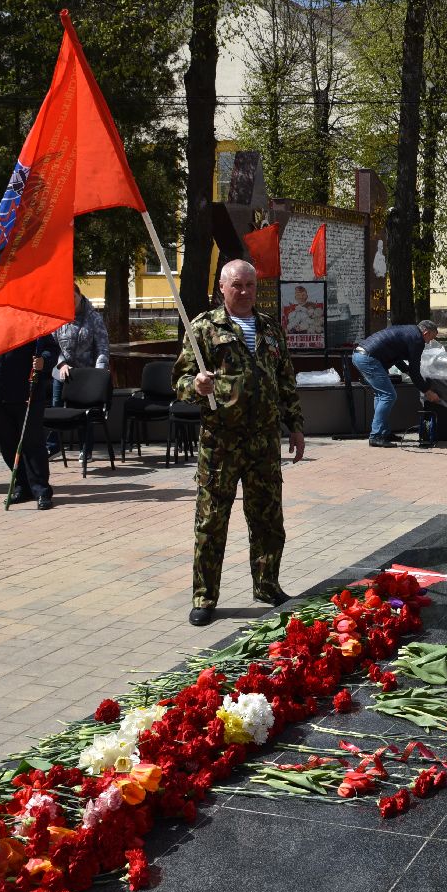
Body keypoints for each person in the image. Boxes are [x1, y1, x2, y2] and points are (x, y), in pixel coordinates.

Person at [176, 259, 305, 626]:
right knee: (212, 522)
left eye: (250, 284)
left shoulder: (269, 328)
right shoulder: (203, 328)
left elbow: (285, 380)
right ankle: (204, 596)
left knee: (268, 519)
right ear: (222, 287)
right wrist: (196, 386)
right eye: (237, 285)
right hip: (220, 443)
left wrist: (295, 425)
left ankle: (268, 586)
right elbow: (181, 382)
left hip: (264, 441)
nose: (245, 291)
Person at [0, 335, 58, 510]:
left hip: (27, 392)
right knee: (7, 444)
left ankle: (41, 490)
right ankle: (22, 485)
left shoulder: (30, 320)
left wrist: (44, 361)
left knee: (32, 444)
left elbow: (52, 349)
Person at [352, 321, 439, 447]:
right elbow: (415, 371)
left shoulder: (407, 330)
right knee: (388, 395)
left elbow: (397, 355)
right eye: (430, 338)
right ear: (426, 333)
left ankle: (384, 433)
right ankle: (376, 436)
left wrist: (406, 371)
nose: (428, 342)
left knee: (381, 395)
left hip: (360, 355)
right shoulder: (417, 340)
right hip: (369, 359)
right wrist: (428, 391)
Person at [47, 285, 110, 458]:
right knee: (56, 408)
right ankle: (53, 445)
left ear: (79, 295)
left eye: (73, 297)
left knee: (83, 413)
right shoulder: (58, 317)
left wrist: (98, 372)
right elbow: (51, 346)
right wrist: (61, 364)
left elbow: (102, 347)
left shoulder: (93, 318)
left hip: (86, 374)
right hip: (63, 372)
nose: (70, 302)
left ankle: (86, 448)